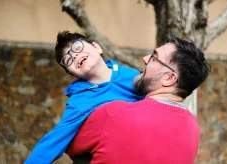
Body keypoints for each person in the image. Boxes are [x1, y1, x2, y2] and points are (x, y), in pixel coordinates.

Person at [65, 34, 210, 164]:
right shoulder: (193, 128)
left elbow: (69, 145)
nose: (145, 59)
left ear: (169, 78)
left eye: (154, 57)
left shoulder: (113, 114)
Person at [24, 31, 143, 164]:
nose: (74, 56)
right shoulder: (80, 101)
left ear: (97, 47)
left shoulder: (131, 75)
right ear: (72, 73)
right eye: (68, 60)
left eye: (77, 47)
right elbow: (54, 141)